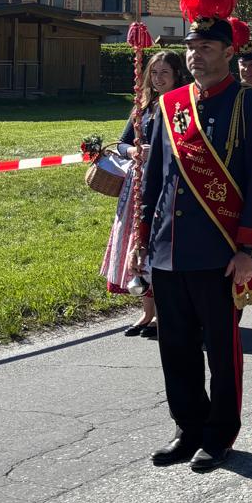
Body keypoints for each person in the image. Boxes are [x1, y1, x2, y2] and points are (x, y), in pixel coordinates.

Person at [140, 0, 252, 471]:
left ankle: (220, 434)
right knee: (175, 347)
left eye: (206, 47)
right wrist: (143, 243)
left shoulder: (250, 102)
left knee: (221, 350)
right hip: (169, 249)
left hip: (220, 251)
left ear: (228, 51)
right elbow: (155, 182)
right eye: (191, 47)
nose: (195, 55)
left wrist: (249, 249)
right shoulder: (171, 106)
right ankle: (188, 427)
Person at [102, 49, 187, 335]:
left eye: (165, 73)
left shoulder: (182, 106)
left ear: (176, 75)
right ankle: (146, 312)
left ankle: (164, 313)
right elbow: (122, 142)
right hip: (139, 185)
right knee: (138, 245)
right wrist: (134, 151)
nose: (159, 78)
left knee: (156, 246)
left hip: (167, 184)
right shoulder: (144, 106)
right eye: (154, 72)